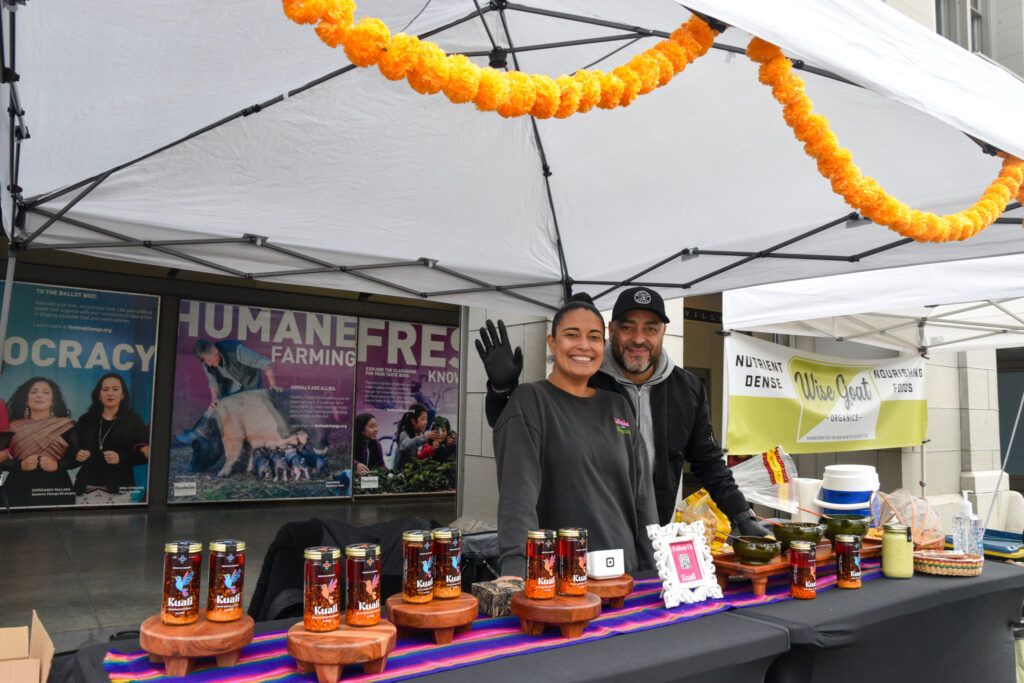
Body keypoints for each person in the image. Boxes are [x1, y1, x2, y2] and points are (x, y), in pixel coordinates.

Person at [477, 286, 772, 538]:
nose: (638, 339)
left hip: (650, 534)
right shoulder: (585, 376)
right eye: (628, 327)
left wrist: (741, 515)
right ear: (611, 331)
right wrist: (502, 390)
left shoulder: (688, 389)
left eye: (650, 329)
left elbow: (709, 461)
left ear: (663, 333)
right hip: (579, 533)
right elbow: (514, 427)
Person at [493, 294, 656, 577]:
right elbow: (517, 500)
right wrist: (517, 574)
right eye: (571, 335)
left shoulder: (617, 406)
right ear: (552, 343)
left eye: (594, 337)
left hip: (624, 578)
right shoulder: (531, 401)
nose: (584, 345)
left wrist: (655, 569)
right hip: (561, 581)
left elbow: (643, 499)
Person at [0, 377, 79, 507]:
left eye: (46, 392)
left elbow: (78, 459)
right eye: (34, 392)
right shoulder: (12, 427)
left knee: (62, 526)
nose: (39, 395)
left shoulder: (66, 425)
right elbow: (1, 462)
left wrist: (57, 465)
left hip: (56, 489)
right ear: (26, 399)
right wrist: (20, 465)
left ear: (53, 400)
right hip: (18, 489)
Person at [72, 373, 150, 502]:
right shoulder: (86, 419)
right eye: (105, 390)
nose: (110, 393)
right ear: (99, 395)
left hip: (119, 487)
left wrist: (121, 458)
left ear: (123, 395)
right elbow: (73, 448)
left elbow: (145, 455)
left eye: (115, 389)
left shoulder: (133, 420)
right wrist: (77, 453)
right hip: (86, 486)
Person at [193, 338, 280, 411]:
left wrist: (273, 385)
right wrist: (214, 399)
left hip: (251, 384)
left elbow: (265, 364)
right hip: (231, 389)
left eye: (209, 360)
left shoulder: (237, 351)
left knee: (251, 412)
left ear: (215, 351)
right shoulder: (207, 364)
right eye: (206, 362)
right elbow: (213, 383)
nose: (209, 364)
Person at [394, 403, 441, 471]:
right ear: (413, 421)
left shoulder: (421, 437)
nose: (426, 422)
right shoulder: (404, 434)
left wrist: (432, 449)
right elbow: (406, 446)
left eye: (426, 419)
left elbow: (419, 457)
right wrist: (426, 437)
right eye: (423, 419)